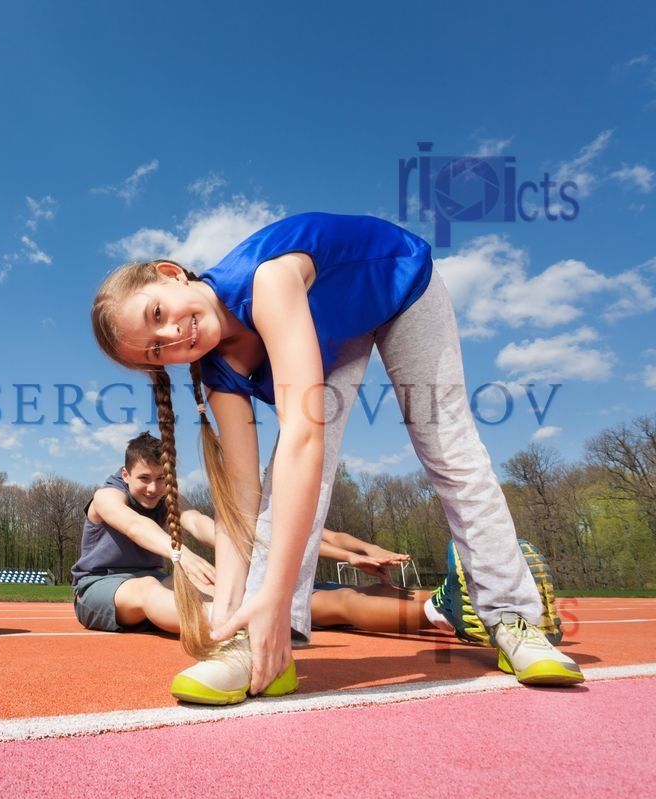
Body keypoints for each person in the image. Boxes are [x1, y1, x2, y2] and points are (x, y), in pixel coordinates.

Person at [90, 211, 582, 701]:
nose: (173, 337)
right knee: (287, 477)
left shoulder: (269, 279)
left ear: (172, 274)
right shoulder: (218, 375)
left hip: (397, 281)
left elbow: (305, 437)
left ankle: (514, 618)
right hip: (330, 330)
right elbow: (242, 497)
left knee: (448, 450)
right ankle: (261, 647)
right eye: (156, 351)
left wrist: (275, 596)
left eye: (158, 314)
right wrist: (233, 608)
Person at [71, 431, 216, 634]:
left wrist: (243, 546)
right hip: (99, 585)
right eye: (144, 478)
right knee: (146, 587)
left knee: (206, 583)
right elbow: (134, 525)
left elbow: (197, 522)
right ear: (126, 475)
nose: (153, 488)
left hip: (155, 579)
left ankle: (245, 615)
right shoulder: (105, 497)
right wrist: (182, 554)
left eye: (161, 478)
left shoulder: (168, 497)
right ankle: (225, 623)